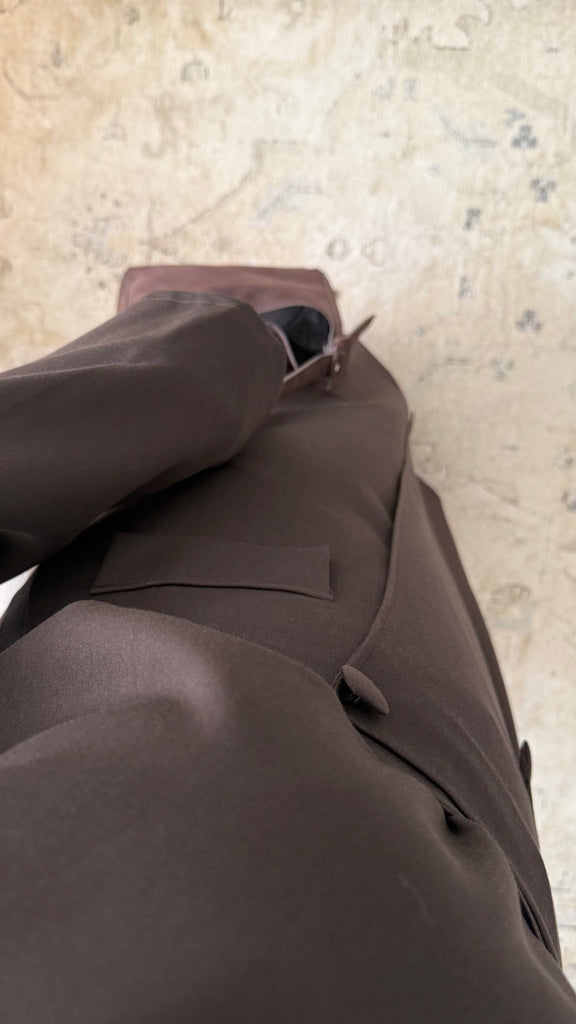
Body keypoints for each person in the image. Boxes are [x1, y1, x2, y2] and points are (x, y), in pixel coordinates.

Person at [0, 264, 574, 1023]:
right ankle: (286, 344)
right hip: (252, 719)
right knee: (326, 454)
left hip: (452, 903)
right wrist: (246, 348)